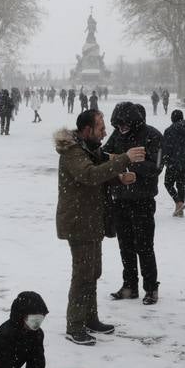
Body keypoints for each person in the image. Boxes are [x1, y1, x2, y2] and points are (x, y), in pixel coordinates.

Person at [55, 108, 144, 344]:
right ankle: (75, 325)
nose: (105, 133)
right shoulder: (73, 151)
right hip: (78, 222)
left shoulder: (90, 148)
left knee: (93, 272)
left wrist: (118, 177)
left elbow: (97, 176)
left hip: (92, 220)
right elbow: (89, 175)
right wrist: (125, 158)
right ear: (87, 130)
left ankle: (90, 318)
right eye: (101, 129)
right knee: (82, 274)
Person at [102, 102, 163, 304]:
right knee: (125, 245)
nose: (121, 128)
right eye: (117, 125)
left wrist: (132, 166)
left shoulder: (153, 135)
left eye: (125, 124)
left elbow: (157, 165)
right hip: (120, 199)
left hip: (143, 200)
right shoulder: (117, 135)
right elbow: (104, 156)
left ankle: (151, 288)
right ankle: (129, 286)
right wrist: (122, 163)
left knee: (145, 246)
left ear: (134, 121)